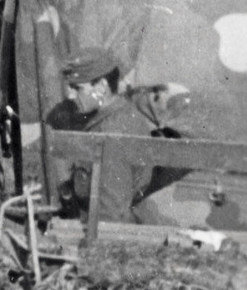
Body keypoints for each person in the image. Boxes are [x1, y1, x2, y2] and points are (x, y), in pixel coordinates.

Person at [45, 49, 169, 223]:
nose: (69, 95)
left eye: (77, 88)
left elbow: (109, 215)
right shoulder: (116, 115)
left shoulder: (112, 134)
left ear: (102, 87)